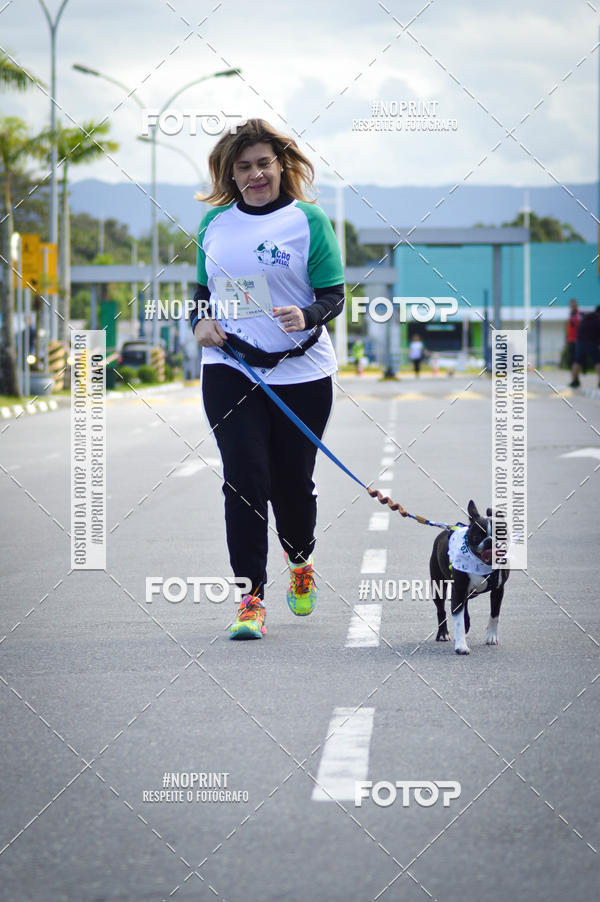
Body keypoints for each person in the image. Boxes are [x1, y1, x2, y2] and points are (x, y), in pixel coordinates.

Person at [191, 119, 345, 640]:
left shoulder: (308, 220)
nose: (255, 175)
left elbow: (334, 294)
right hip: (231, 368)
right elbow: (201, 292)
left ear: (281, 166)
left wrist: (308, 314)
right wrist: (199, 323)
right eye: (244, 167)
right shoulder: (214, 224)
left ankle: (300, 560)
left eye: (263, 164)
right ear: (230, 174)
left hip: (302, 373)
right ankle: (250, 599)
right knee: (244, 478)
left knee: (291, 484)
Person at [570, 305, 600, 388]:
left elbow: (578, 328)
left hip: (580, 342)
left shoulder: (586, 317)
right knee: (598, 361)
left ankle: (574, 381)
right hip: (591, 342)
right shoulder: (598, 319)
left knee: (577, 361)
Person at [565, 298, 580, 370]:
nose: (572, 306)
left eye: (573, 305)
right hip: (570, 340)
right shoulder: (571, 314)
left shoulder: (578, 314)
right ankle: (574, 374)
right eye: (571, 305)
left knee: (576, 359)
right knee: (571, 359)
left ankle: (576, 373)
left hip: (577, 340)